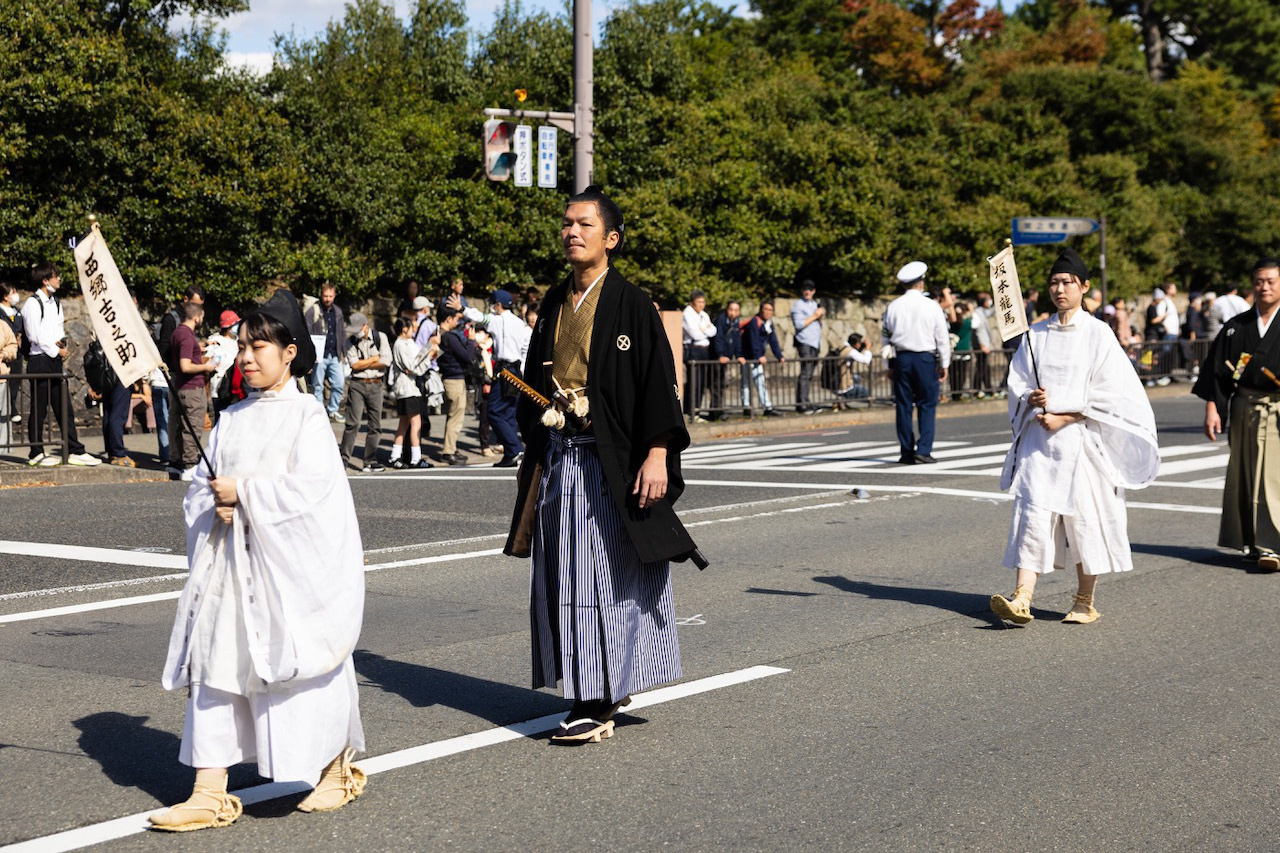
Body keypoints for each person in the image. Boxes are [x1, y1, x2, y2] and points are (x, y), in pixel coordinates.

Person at [149, 290, 366, 833]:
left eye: (259, 345)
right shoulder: (231, 417)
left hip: (285, 575)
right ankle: (208, 791)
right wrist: (214, 503)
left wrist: (243, 493)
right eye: (242, 346)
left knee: (291, 669)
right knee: (217, 670)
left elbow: (313, 496)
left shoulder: (307, 417)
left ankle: (335, 766)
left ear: (290, 352)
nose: (246, 356)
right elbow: (200, 487)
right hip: (229, 568)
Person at [504, 186, 701, 745]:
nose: (572, 232)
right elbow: (536, 380)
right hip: (563, 455)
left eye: (584, 224)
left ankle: (594, 700)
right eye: (567, 223)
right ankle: (601, 685)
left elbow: (657, 383)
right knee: (567, 572)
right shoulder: (553, 301)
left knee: (604, 577)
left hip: (613, 459)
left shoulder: (632, 303)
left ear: (610, 238)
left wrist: (659, 451)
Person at [990, 247, 1159, 626]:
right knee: (1032, 516)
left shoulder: (1098, 333)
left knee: (1084, 521)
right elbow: (1017, 383)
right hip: (1040, 443)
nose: (1060, 289)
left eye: (1068, 282)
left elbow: (1115, 392)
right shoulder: (1035, 334)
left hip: (1082, 441)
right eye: (1054, 282)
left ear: (1084, 286)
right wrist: (1031, 400)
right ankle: (1022, 598)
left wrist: (1067, 414)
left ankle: (1084, 600)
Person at [1194, 258, 1280, 570]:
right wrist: (1213, 407)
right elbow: (1217, 372)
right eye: (1259, 281)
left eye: (1271, 281)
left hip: (1276, 410)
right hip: (1243, 406)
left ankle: (1272, 545)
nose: (1265, 287)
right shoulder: (1237, 327)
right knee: (1243, 476)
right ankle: (1252, 541)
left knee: (1271, 477)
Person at [22, 261, 100, 467]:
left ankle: (74, 449)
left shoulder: (55, 302)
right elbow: (34, 334)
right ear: (45, 280)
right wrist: (57, 350)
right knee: (38, 408)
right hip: (39, 360)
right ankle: (36, 452)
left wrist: (61, 343)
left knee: (63, 406)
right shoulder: (32, 303)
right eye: (56, 276)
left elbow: (55, 329)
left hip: (54, 360)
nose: (59, 279)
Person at [882, 261, 950, 464]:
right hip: (924, 358)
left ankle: (906, 451)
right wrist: (944, 363)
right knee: (927, 404)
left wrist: (887, 366)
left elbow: (885, 338)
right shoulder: (931, 306)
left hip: (901, 358)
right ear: (921, 283)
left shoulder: (892, 306)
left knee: (903, 405)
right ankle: (924, 449)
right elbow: (942, 337)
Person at [480, 290, 531, 468]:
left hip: (504, 370)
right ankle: (511, 454)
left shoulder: (497, 320)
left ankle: (514, 447)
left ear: (499, 305)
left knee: (493, 411)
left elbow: (479, 317)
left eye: (493, 303)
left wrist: (461, 308)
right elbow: (526, 348)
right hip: (517, 369)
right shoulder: (521, 324)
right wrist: (522, 370)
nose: (492, 307)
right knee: (509, 411)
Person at [168, 302, 217, 481]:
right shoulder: (187, 337)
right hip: (192, 387)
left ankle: (174, 462)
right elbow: (185, 365)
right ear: (198, 316)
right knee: (192, 426)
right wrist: (206, 366)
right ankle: (189, 465)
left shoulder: (178, 333)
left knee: (177, 425)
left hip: (179, 387)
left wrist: (202, 346)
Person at [341, 312, 391, 473]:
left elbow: (386, 360)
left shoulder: (380, 337)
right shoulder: (350, 342)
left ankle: (370, 460)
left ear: (366, 325)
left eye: (358, 329)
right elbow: (354, 365)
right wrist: (373, 359)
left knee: (375, 424)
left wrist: (367, 363)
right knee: (352, 423)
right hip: (357, 384)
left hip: (376, 384)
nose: (357, 333)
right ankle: (344, 459)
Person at [387, 317, 434, 469]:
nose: (414, 329)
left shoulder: (408, 343)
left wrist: (429, 350)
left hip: (410, 387)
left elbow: (417, 359)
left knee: (404, 423)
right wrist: (429, 350)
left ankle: (395, 456)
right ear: (404, 329)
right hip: (407, 388)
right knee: (416, 423)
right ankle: (415, 458)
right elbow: (412, 365)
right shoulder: (400, 344)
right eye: (412, 327)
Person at [434, 305, 475, 466]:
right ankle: (448, 452)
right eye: (456, 318)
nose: (458, 321)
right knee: (456, 418)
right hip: (455, 380)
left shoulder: (438, 335)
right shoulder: (449, 337)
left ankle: (451, 447)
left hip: (447, 378)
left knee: (452, 416)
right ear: (448, 319)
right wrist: (471, 341)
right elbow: (466, 356)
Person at [305, 282, 346, 422]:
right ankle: (319, 412)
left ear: (334, 296)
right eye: (325, 296)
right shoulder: (313, 311)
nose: (328, 299)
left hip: (334, 353)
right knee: (317, 385)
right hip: (319, 355)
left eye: (330, 296)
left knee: (339, 383)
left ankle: (333, 410)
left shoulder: (338, 311)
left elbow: (341, 332)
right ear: (321, 295)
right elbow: (307, 331)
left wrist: (343, 352)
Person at [742, 301, 784, 416]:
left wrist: (779, 355)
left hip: (756, 358)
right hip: (749, 357)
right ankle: (751, 407)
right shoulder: (755, 322)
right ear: (761, 310)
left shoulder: (768, 323)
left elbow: (773, 340)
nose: (768, 312)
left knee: (757, 381)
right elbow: (753, 340)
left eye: (771, 310)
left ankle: (762, 406)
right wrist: (758, 355)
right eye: (766, 309)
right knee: (749, 382)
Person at [681, 289, 717, 421]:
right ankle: (691, 411)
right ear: (692, 302)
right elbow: (695, 334)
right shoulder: (687, 314)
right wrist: (704, 329)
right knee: (694, 382)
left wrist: (703, 329)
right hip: (693, 349)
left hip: (704, 349)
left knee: (702, 382)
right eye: (699, 302)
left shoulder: (703, 315)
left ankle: (697, 410)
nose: (702, 305)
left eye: (703, 302)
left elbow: (713, 330)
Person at [791, 280, 824, 414]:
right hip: (805, 342)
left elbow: (818, 324)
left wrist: (820, 316)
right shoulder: (798, 305)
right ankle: (802, 404)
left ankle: (806, 400)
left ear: (814, 291)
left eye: (810, 289)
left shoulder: (814, 304)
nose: (807, 292)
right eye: (805, 289)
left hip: (815, 342)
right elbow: (799, 324)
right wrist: (815, 315)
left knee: (810, 374)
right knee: (805, 374)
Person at [710, 300, 745, 420]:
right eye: (731, 310)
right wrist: (720, 355)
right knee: (716, 384)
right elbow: (718, 338)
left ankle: (719, 410)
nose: (733, 313)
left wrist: (739, 355)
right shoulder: (721, 320)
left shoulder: (735, 322)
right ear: (727, 310)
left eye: (736, 310)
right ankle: (715, 412)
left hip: (727, 358)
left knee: (721, 384)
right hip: (718, 358)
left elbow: (737, 340)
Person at [1, 282, 23, 425]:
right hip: (4, 356)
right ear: (5, 296)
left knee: (15, 382)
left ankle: (12, 407)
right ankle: (12, 410)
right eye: (12, 292)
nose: (15, 295)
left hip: (17, 353)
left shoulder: (17, 311)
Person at [971, 292, 996, 397]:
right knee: (981, 367)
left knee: (983, 367)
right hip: (981, 346)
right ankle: (979, 390)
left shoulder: (982, 311)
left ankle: (986, 389)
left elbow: (991, 312)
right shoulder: (977, 312)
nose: (990, 301)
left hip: (983, 345)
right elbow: (979, 330)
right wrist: (982, 345)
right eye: (988, 299)